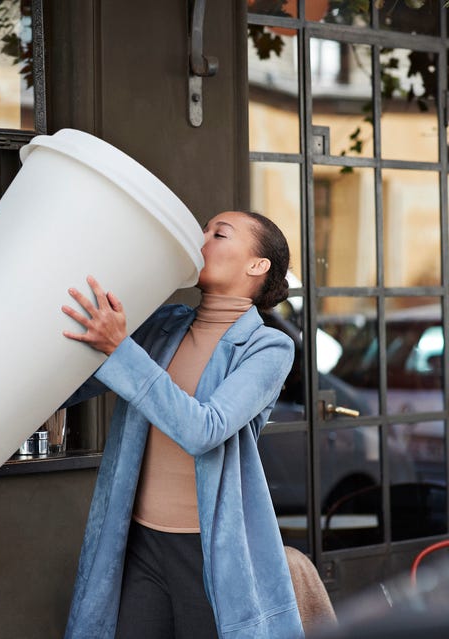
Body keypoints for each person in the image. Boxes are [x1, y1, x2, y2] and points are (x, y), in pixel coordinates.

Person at [60, 210, 304, 639]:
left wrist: (120, 351)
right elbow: (76, 386)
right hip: (138, 540)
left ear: (257, 265)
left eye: (218, 233)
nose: (202, 238)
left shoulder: (268, 346)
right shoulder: (166, 324)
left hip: (209, 549)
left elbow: (203, 430)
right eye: (204, 230)